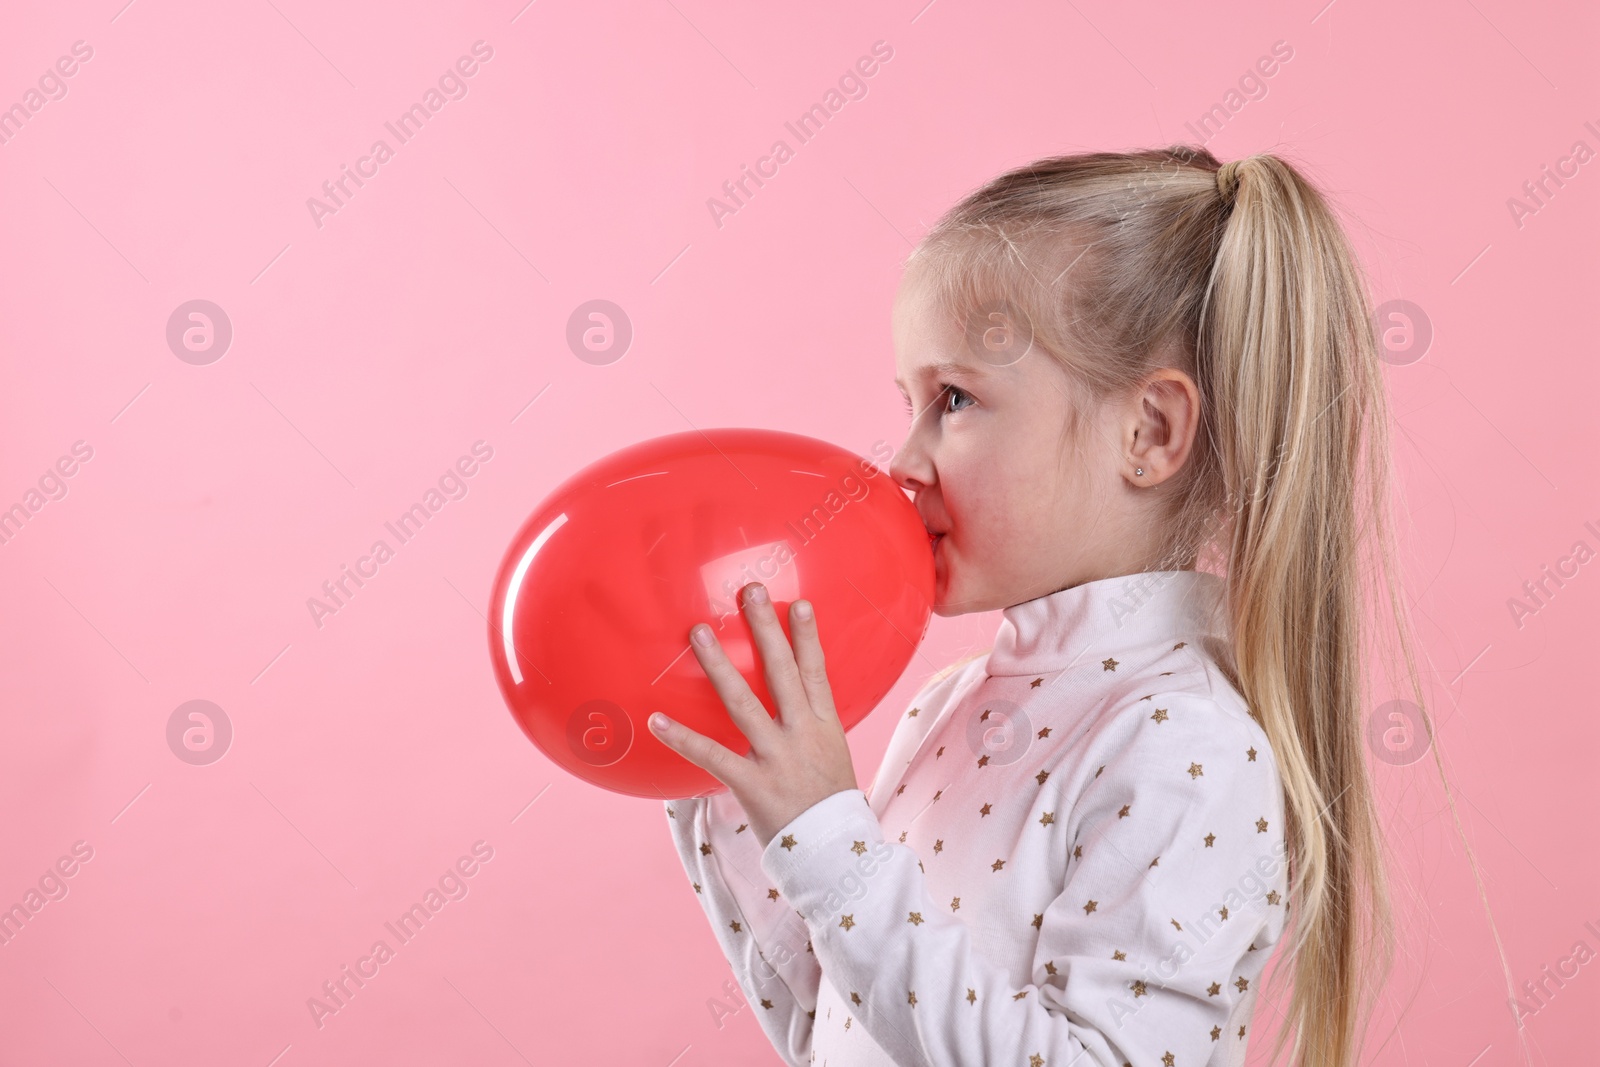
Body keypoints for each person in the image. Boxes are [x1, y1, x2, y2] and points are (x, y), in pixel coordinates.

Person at [654, 146, 1463, 1067]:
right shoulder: (948, 707)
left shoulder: (1184, 746)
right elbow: (841, 1023)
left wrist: (831, 843)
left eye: (954, 399)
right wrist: (732, 789)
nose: (904, 461)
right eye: (911, 402)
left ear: (1148, 432)